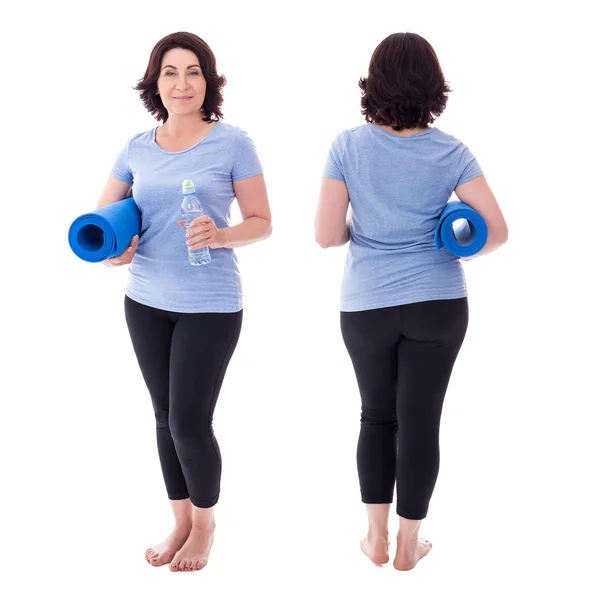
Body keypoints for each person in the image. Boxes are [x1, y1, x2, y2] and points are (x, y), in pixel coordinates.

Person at [315, 32, 508, 571]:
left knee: (377, 417)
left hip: (366, 305)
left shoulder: (347, 146)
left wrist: (368, 222)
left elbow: (327, 236)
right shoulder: (451, 151)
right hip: (438, 303)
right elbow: (497, 231)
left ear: (373, 82)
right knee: (420, 419)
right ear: (432, 84)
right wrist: (453, 243)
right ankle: (409, 543)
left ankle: (374, 539)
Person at [95, 32, 272, 572]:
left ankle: (205, 524)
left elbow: (263, 223)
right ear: (156, 81)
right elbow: (102, 224)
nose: (182, 83)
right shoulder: (135, 148)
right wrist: (115, 254)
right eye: (170, 72)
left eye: (193, 71)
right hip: (145, 300)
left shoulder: (233, 143)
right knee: (164, 415)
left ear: (208, 80)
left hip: (211, 304)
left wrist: (219, 235)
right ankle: (178, 518)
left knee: (190, 421)